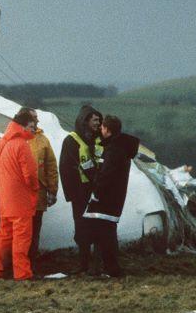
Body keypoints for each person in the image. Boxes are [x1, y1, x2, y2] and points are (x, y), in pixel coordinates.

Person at [84, 115, 139, 278]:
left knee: (105, 234)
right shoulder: (120, 148)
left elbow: (107, 175)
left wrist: (96, 194)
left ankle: (111, 269)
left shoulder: (114, 150)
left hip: (106, 200)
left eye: (102, 127)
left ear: (107, 130)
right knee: (107, 232)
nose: (100, 130)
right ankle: (109, 267)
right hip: (114, 199)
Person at [0, 109, 39, 280]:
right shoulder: (22, 144)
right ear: (23, 126)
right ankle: (22, 273)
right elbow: (31, 175)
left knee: (4, 235)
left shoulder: (2, 143)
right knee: (22, 238)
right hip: (20, 200)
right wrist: (35, 189)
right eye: (32, 126)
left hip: (4, 199)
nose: (34, 129)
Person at [59, 105, 103, 274]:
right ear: (85, 121)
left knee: (99, 227)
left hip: (99, 190)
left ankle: (98, 264)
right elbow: (65, 168)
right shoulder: (72, 140)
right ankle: (84, 263)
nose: (98, 123)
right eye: (94, 120)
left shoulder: (101, 139)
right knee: (82, 227)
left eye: (99, 120)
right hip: (81, 191)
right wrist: (72, 194)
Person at [25, 109, 59, 268]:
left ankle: (32, 258)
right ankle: (19, 260)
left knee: (35, 226)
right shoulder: (14, 138)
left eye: (37, 118)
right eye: (33, 118)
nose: (37, 121)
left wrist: (53, 190)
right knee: (21, 228)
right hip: (20, 194)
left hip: (39, 192)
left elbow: (51, 166)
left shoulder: (43, 140)